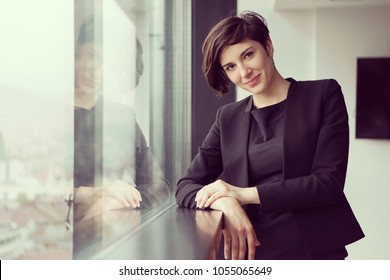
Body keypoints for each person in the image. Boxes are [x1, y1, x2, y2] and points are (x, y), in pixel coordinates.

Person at [176, 11, 364, 260]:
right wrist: (225, 203)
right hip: (250, 254)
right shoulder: (228, 117)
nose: (244, 72)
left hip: (314, 252)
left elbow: (328, 183)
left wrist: (243, 194)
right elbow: (186, 186)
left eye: (248, 54)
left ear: (268, 46)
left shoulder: (323, 95)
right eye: (231, 67)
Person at [73, 14, 170, 221]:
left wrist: (113, 202)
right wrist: (88, 194)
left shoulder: (122, 116)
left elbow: (158, 186)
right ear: (77, 51)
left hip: (106, 232)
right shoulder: (49, 110)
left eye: (111, 66)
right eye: (93, 55)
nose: (97, 71)